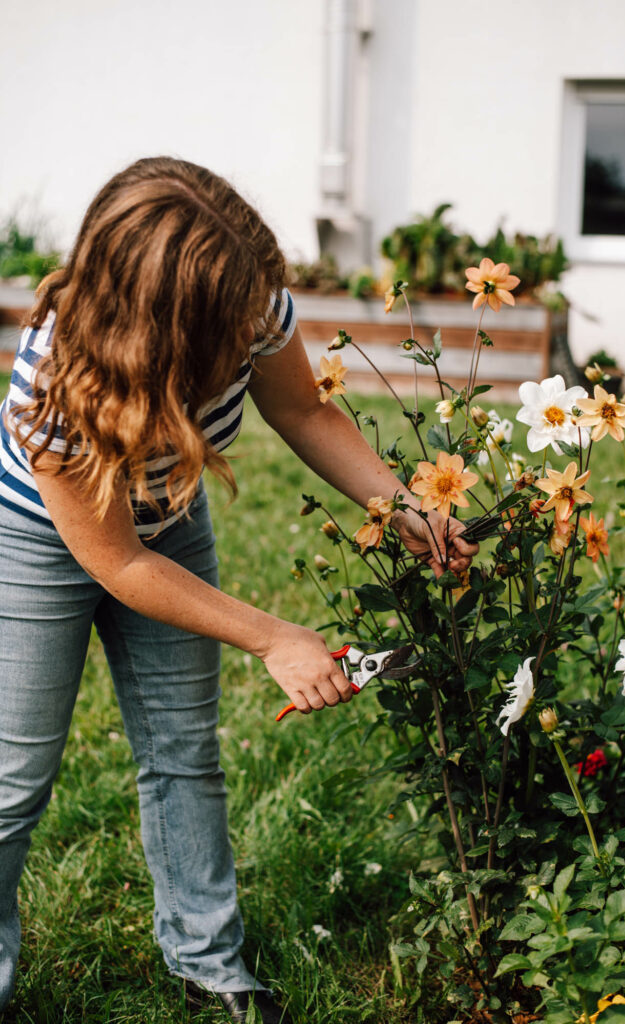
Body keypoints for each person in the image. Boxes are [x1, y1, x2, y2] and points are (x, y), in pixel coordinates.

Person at [0, 157, 478, 1023]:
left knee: (185, 753)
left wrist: (405, 510)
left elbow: (305, 411)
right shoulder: (54, 384)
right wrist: (274, 636)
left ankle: (205, 958)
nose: (256, 329)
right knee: (12, 779)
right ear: (158, 330)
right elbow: (116, 562)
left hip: (167, 507)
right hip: (41, 539)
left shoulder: (248, 300)